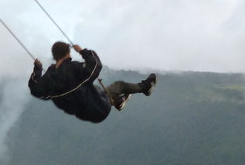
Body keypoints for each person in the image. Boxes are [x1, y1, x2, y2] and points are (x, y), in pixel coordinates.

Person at [28, 42, 156, 124]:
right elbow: (95, 66)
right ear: (68, 53)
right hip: (99, 108)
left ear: (54, 56)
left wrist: (37, 69)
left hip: (83, 114)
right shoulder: (74, 69)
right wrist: (82, 51)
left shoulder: (49, 79)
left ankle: (116, 100)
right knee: (118, 86)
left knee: (88, 87)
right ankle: (145, 87)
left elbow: (35, 89)